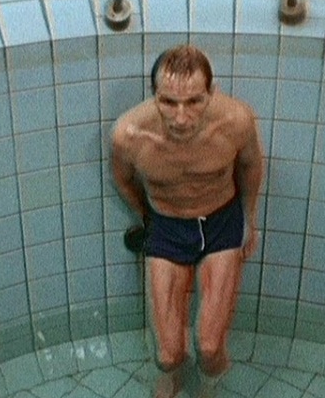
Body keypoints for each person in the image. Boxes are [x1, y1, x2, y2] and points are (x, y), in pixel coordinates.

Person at [111, 44, 264, 394]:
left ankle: (210, 386)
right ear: (154, 94)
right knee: (168, 356)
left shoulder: (236, 121)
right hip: (167, 227)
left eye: (194, 101)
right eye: (168, 102)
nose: (181, 118)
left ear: (212, 92)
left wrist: (248, 218)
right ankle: (174, 379)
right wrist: (147, 216)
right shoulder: (129, 135)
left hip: (221, 224)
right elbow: (123, 180)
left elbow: (251, 166)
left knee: (209, 347)